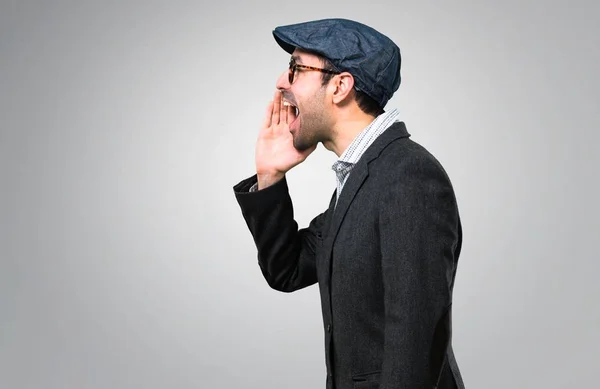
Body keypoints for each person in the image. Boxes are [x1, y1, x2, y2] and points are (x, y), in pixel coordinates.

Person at [233, 18, 465, 389]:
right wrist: (270, 176)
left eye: (296, 68)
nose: (281, 81)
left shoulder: (408, 175)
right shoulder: (357, 179)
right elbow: (287, 270)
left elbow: (416, 339)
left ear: (340, 86)